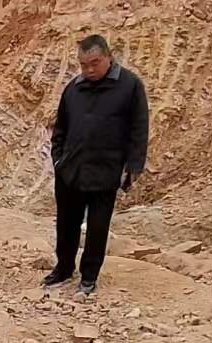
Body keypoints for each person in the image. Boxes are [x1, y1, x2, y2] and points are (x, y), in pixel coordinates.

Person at [44, 34, 148, 297]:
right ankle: (64, 268)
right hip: (71, 170)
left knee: (98, 227)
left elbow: (138, 128)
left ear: (108, 57)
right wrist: (59, 159)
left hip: (106, 170)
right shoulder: (74, 88)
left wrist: (133, 166)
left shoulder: (130, 86)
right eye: (84, 64)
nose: (89, 70)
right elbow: (61, 127)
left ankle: (89, 277)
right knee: (66, 224)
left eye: (95, 63)